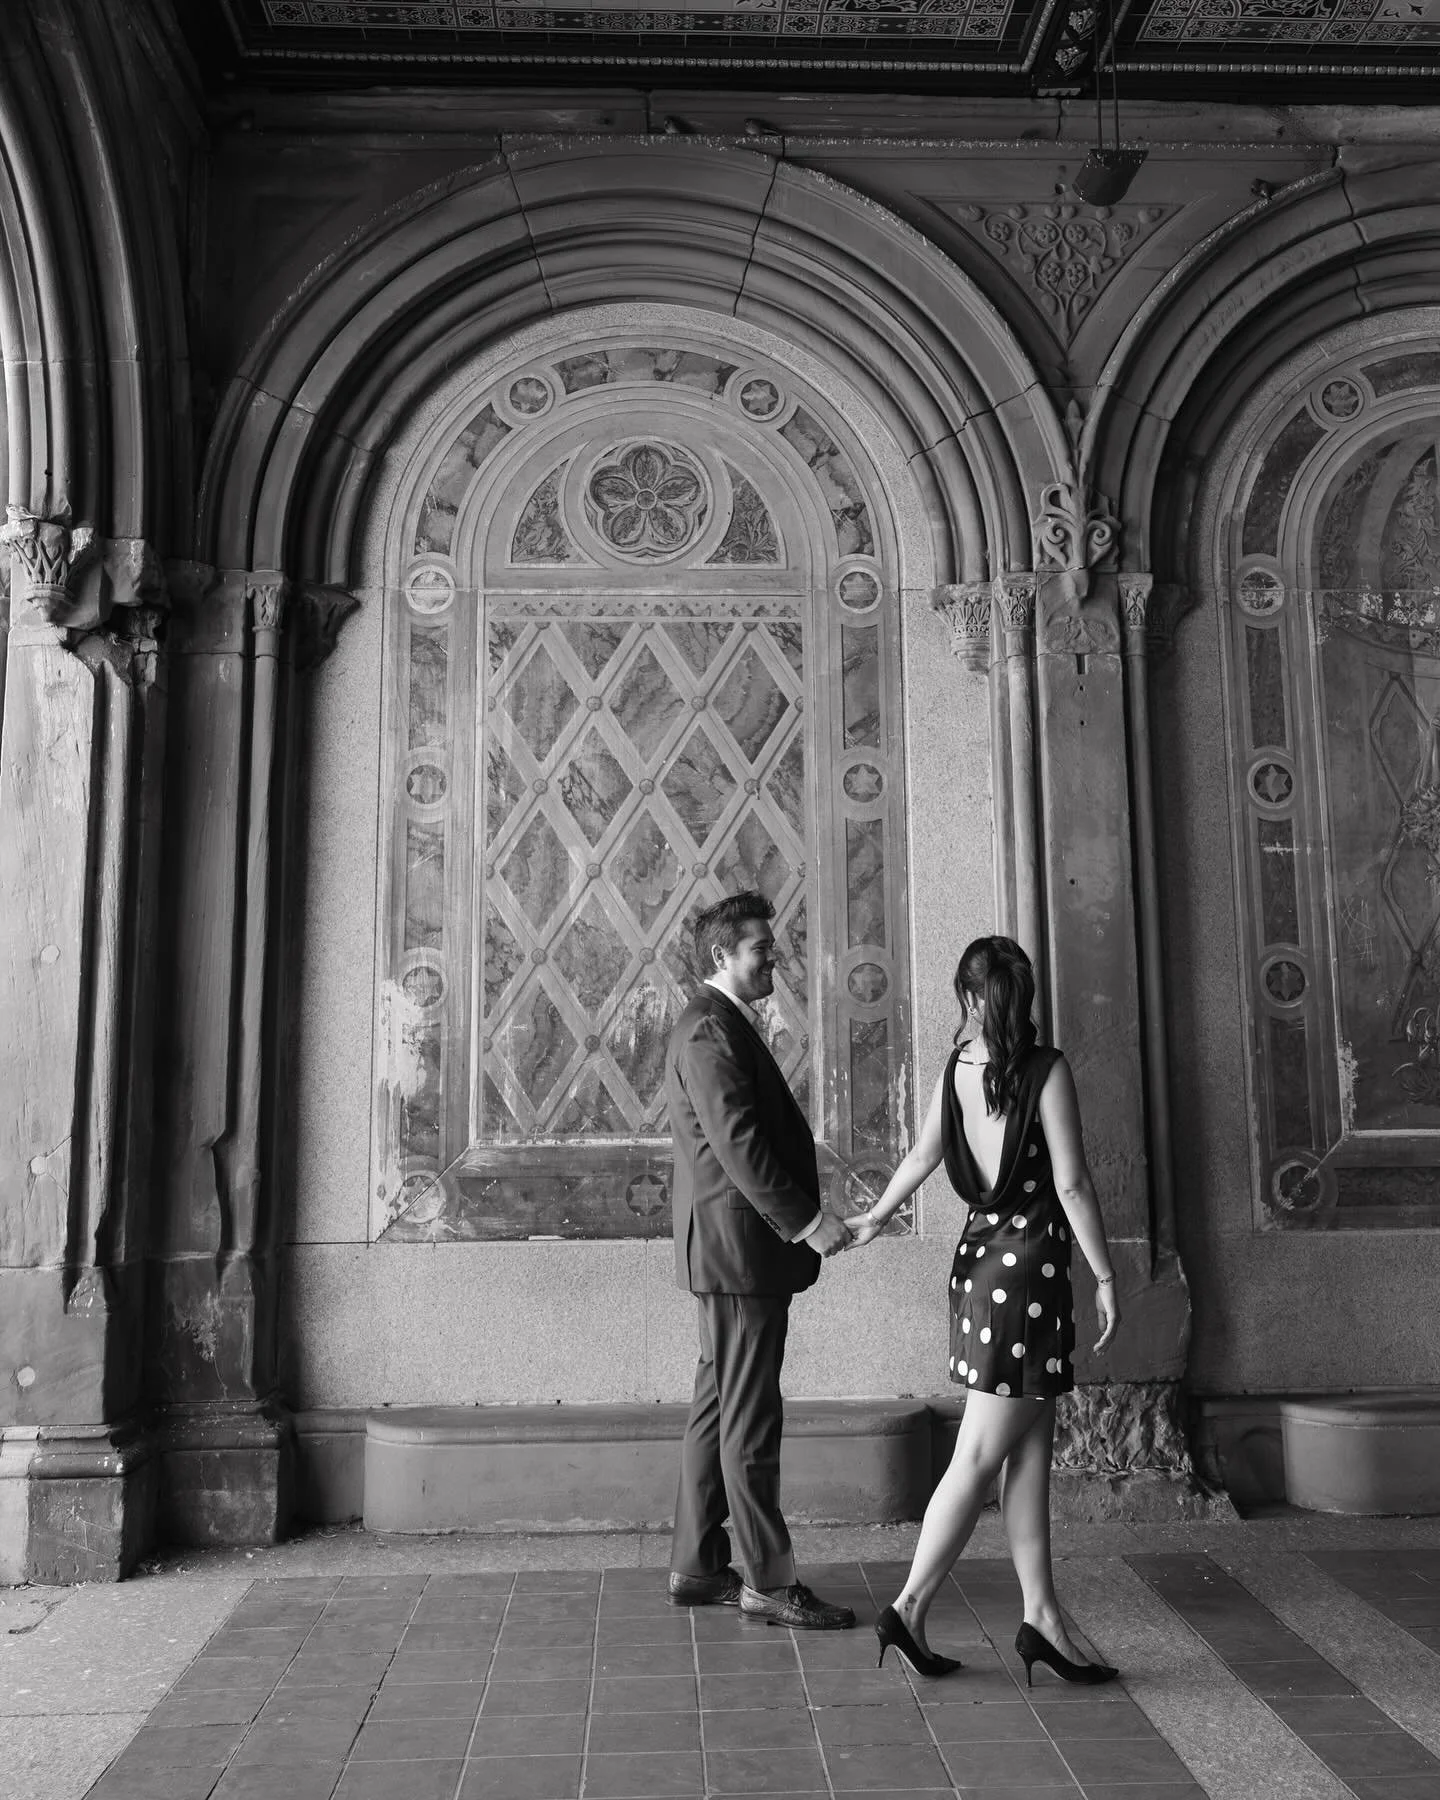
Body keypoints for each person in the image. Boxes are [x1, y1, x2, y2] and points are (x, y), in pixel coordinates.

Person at [846, 935, 1121, 1683]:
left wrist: (878, 1215)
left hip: (978, 1271)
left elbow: (923, 1156)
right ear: (1022, 997)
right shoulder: (1045, 1070)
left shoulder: (957, 1070)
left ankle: (1044, 1618)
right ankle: (907, 1607)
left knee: (1028, 1451)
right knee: (978, 1456)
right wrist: (1104, 1273)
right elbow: (1072, 1185)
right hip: (1031, 1277)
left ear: (968, 998)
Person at [666, 890, 857, 1630]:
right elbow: (739, 1144)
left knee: (717, 1409)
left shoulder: (712, 1026)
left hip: (726, 1256)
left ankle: (696, 1566)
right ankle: (769, 1584)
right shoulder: (710, 1032)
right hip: (740, 1258)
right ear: (722, 957)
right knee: (750, 1419)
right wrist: (807, 1222)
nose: (774, 957)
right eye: (760, 949)